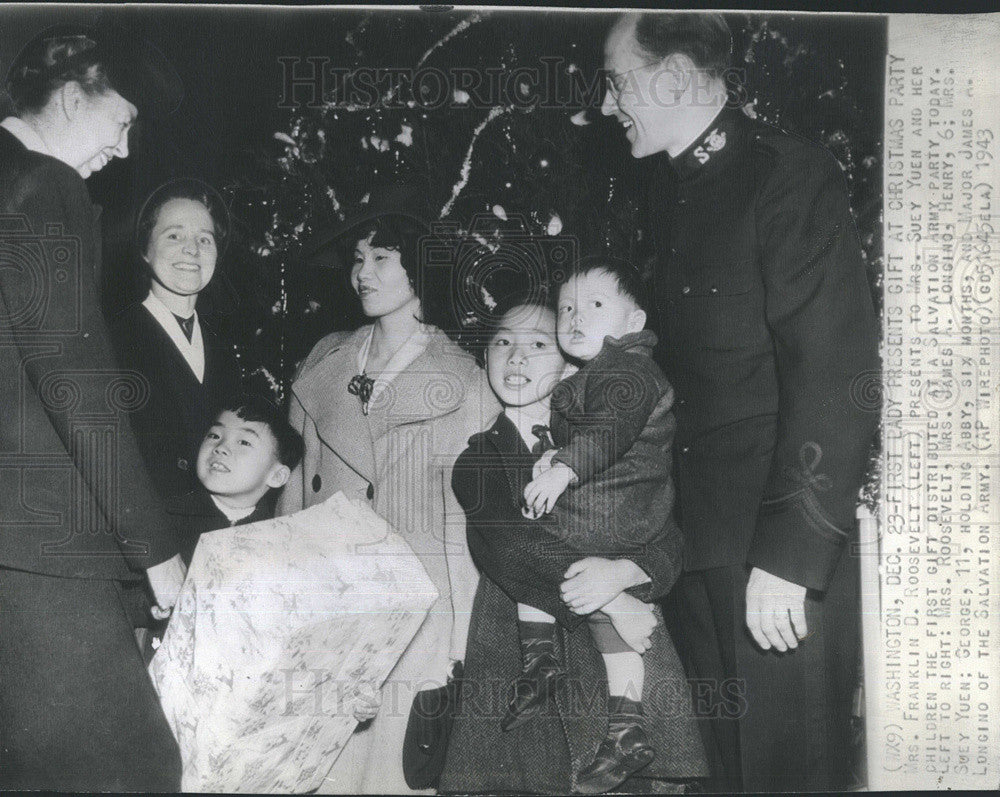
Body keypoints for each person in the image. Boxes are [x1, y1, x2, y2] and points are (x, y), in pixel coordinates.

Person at [600, 12, 880, 791]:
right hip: (693, 555)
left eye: (619, 81)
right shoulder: (662, 192)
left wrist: (790, 558)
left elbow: (835, 371)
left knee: (787, 776)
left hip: (772, 564)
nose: (607, 104)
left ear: (677, 76)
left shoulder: (786, 175)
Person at [0, 24, 187, 790]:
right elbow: (75, 382)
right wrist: (158, 555)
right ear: (75, 94)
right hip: (38, 544)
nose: (125, 150)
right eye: (122, 121)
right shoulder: (42, 185)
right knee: (131, 770)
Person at [276, 184, 499, 794]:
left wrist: (460, 640)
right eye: (357, 258)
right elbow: (299, 484)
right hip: (328, 591)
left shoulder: (464, 381)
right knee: (320, 766)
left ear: (419, 267)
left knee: (390, 771)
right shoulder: (329, 358)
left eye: (382, 258)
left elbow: (463, 519)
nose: (362, 273)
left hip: (417, 602)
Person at [441, 300, 706, 795]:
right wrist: (614, 599)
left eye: (538, 344)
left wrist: (628, 572)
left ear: (570, 363)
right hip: (519, 664)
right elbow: (509, 546)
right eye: (502, 343)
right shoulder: (480, 459)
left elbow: (670, 536)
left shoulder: (617, 442)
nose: (516, 358)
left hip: (627, 673)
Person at [503, 257, 680, 792]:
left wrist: (560, 469)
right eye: (567, 308)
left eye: (595, 306)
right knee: (541, 554)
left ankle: (546, 665)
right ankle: (618, 719)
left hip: (617, 511)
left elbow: (607, 432)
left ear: (634, 321)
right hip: (607, 509)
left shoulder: (627, 371)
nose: (575, 318)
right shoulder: (596, 373)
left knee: (534, 543)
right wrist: (554, 456)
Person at [111, 178, 241, 499]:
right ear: (145, 249)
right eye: (174, 235)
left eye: (205, 240)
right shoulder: (113, 340)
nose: (192, 249)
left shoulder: (222, 347)